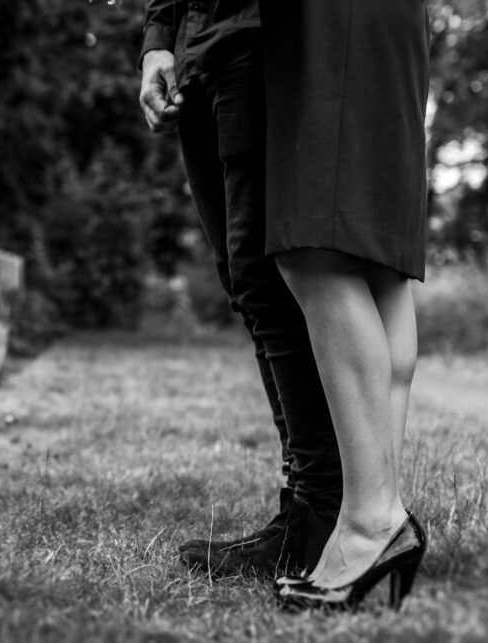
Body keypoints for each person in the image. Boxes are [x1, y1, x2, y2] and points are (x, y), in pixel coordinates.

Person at [137, 0, 342, 577]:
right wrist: (159, 38)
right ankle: (308, 506)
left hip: (260, 38)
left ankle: (322, 513)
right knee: (247, 284)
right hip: (198, 52)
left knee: (272, 280)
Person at [262, 0, 430, 610]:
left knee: (313, 240)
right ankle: (377, 515)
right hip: (376, 22)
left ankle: (371, 522)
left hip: (333, 21)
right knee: (374, 251)